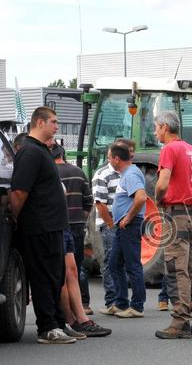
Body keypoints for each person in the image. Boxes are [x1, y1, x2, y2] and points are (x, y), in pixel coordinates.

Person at [10, 107, 76, 343]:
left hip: (53, 226)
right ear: (39, 122)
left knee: (55, 277)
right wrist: (15, 217)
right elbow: (18, 192)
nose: (57, 126)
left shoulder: (42, 150)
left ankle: (59, 323)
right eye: (54, 122)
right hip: (38, 226)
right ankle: (47, 328)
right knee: (43, 277)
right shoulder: (29, 151)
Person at [154, 111, 192, 339]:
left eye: (157, 127)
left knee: (177, 268)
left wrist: (158, 198)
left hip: (176, 214)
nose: (156, 131)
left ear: (165, 127)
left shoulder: (169, 149)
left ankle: (180, 321)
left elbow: (163, 183)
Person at [51, 144, 111, 337]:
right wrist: (80, 219)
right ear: (63, 154)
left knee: (65, 272)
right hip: (75, 225)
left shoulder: (50, 173)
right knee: (75, 269)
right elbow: (88, 202)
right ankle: (82, 306)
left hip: (57, 225)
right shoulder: (78, 172)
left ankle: (69, 315)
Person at [109, 142, 148, 318]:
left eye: (110, 157)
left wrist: (128, 217)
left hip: (129, 225)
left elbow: (141, 198)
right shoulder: (127, 174)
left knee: (132, 265)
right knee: (114, 263)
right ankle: (121, 302)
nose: (109, 160)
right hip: (123, 225)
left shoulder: (131, 174)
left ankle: (137, 306)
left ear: (117, 158)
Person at [92, 147, 122, 314]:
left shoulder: (126, 174)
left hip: (122, 224)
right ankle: (112, 301)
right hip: (110, 224)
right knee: (111, 262)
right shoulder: (102, 175)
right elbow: (100, 204)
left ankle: (120, 300)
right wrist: (111, 224)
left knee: (118, 262)